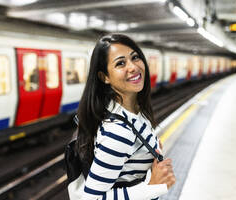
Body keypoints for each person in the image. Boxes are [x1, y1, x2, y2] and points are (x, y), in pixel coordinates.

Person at [75, 34, 175, 200]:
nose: (133, 67)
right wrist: (151, 187)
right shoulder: (119, 132)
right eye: (120, 63)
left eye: (135, 57)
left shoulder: (134, 111)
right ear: (104, 77)